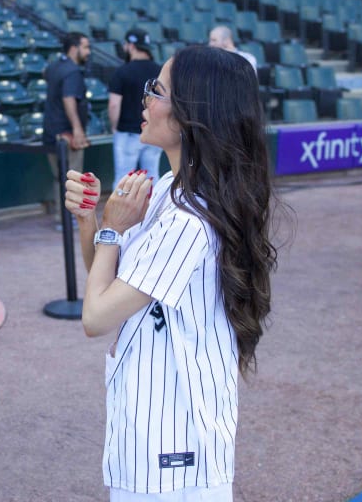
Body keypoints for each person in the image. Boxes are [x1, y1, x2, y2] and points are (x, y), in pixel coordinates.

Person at [63, 45, 279, 500]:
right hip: (157, 423)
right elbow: (110, 286)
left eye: (157, 90)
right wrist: (90, 221)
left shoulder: (189, 219)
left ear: (188, 116)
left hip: (175, 439)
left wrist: (112, 229)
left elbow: (95, 317)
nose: (145, 99)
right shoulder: (170, 187)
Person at [43, 31, 91, 225]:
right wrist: (77, 130)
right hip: (66, 133)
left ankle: (61, 218)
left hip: (51, 131)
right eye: (85, 47)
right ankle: (69, 218)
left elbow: (45, 73)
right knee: (73, 178)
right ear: (74, 48)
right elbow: (68, 99)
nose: (88, 52)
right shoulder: (72, 71)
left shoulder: (54, 66)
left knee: (60, 177)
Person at [108, 27, 162, 183]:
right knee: (152, 178)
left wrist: (114, 127)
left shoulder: (122, 72)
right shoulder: (159, 71)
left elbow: (114, 104)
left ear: (131, 46)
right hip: (153, 131)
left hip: (128, 133)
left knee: (124, 179)